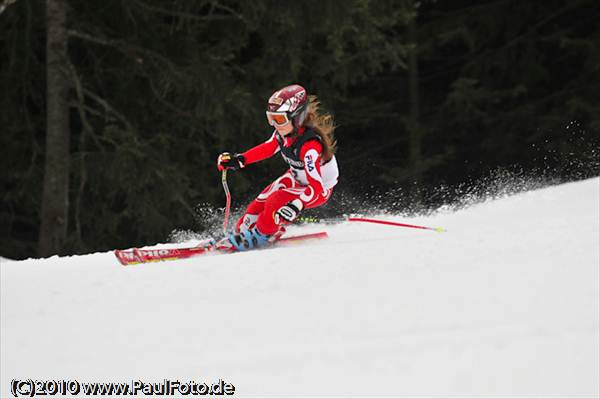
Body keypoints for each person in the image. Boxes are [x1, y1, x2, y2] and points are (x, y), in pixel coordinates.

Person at [216, 84, 339, 251]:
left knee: (275, 201)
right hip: (296, 178)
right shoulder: (283, 134)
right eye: (270, 118)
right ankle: (244, 233)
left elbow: (316, 187)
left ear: (297, 117)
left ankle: (261, 235)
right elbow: (267, 148)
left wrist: (296, 205)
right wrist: (239, 159)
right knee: (257, 206)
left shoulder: (310, 147)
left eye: (279, 119)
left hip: (318, 189)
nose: (274, 124)